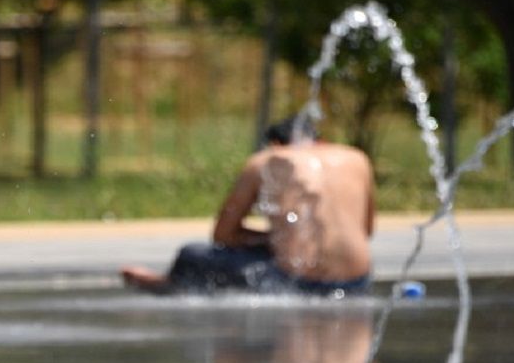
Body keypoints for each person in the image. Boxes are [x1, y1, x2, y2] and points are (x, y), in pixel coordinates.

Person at [121, 117, 376, 297]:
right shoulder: (357, 158)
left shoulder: (266, 161)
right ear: (322, 141)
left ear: (275, 144)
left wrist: (273, 238)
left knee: (192, 254)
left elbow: (223, 235)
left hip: (298, 283)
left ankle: (171, 285)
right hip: (356, 282)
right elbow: (366, 230)